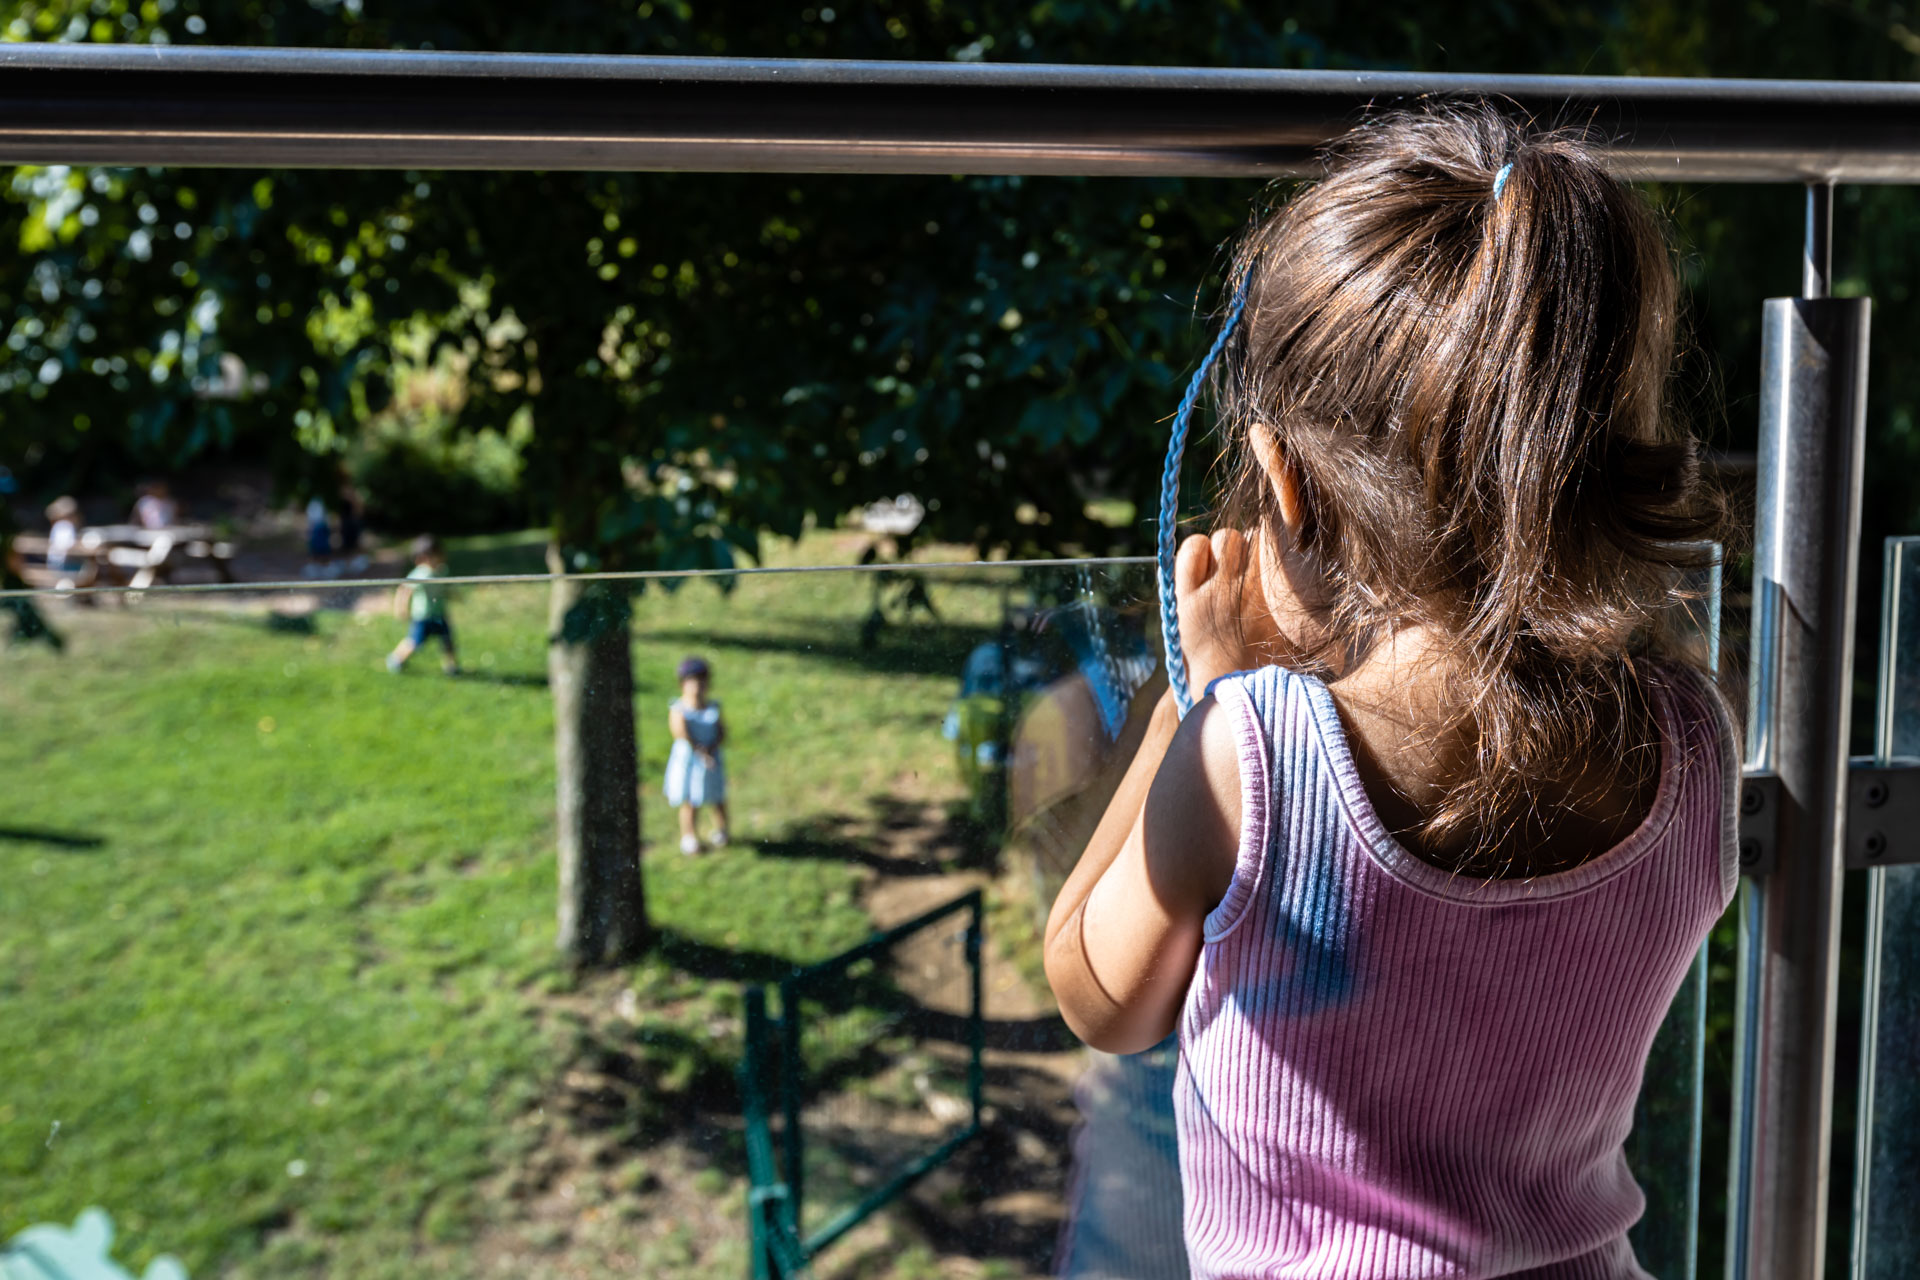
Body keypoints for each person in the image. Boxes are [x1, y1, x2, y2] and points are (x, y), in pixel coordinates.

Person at [1042, 107, 1737, 1279]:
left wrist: (1196, 703)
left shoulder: (1249, 749)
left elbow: (1098, 993)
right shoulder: (1693, 741)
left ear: (1286, 487)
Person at [665, 656, 729, 855]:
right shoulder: (679, 709)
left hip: (711, 758)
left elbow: (721, 731)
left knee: (716, 796)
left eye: (702, 681)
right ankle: (689, 836)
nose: (698, 686)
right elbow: (680, 733)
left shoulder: (713, 708)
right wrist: (701, 751)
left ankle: (722, 829)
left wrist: (713, 747)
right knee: (690, 800)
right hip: (690, 761)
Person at [386, 534, 459, 675]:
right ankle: (396, 659)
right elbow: (404, 591)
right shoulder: (419, 574)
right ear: (422, 558)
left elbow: (445, 588)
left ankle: (451, 667)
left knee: (447, 641)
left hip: (439, 614)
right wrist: (401, 608)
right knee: (414, 642)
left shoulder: (442, 571)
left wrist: (455, 596)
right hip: (422, 617)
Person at [44, 497, 81, 575]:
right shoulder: (65, 526)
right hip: (63, 565)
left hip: (53, 564)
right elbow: (68, 547)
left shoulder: (58, 526)